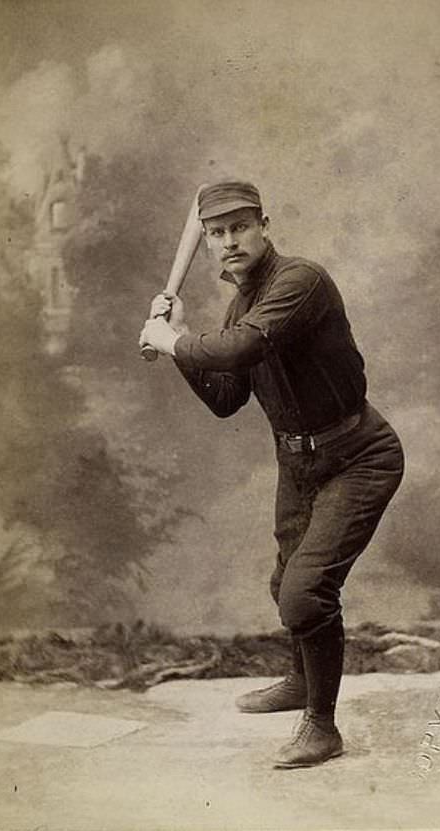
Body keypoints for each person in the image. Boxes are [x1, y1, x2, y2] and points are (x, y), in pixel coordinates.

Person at [139, 181, 405, 768]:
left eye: (240, 227)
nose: (229, 241)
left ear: (265, 225)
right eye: (216, 233)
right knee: (284, 579)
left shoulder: (299, 282)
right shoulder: (241, 307)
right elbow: (225, 398)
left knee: (307, 591)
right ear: (206, 243)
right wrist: (180, 342)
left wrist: (174, 339)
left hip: (359, 454)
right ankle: (301, 683)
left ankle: (322, 726)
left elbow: (239, 350)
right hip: (300, 460)